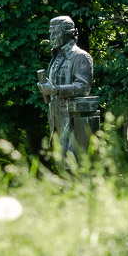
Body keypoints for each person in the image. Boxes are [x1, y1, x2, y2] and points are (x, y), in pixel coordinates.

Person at [38, 15, 95, 158]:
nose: (51, 36)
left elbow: (84, 87)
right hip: (57, 121)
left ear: (68, 33)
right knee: (62, 168)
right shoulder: (56, 57)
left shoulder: (80, 57)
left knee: (74, 168)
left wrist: (56, 90)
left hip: (73, 122)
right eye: (50, 33)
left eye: (55, 33)